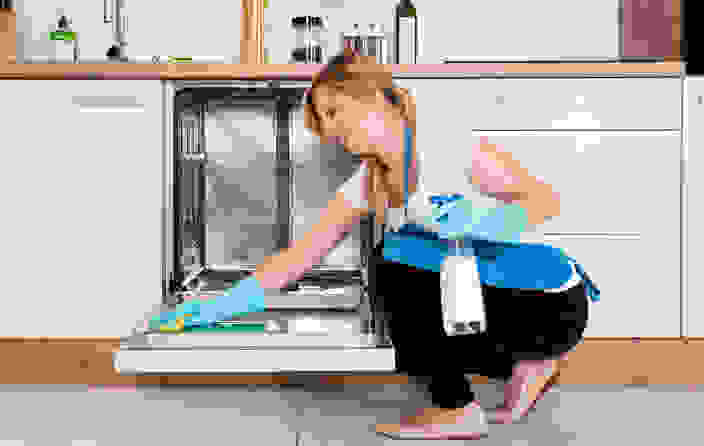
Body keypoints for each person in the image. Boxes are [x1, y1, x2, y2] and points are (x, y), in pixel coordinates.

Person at [153, 48, 590, 440]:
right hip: (509, 313)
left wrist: (486, 220)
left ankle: (456, 409)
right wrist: (213, 308)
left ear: (373, 96)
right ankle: (528, 361)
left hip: (552, 301)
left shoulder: (450, 146)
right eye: (324, 123)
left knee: (393, 260)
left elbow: (545, 200)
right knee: (397, 262)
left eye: (333, 111)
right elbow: (297, 260)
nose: (330, 130)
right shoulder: (369, 183)